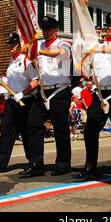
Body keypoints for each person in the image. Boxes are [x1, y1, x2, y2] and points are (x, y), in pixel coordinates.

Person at [75, 12, 111, 181]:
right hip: (99, 94)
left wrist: (99, 47)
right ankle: (90, 166)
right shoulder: (97, 46)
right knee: (90, 130)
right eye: (108, 25)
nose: (109, 28)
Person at [21, 16, 72, 178]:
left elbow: (59, 54)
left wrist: (37, 51)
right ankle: (36, 163)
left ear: (56, 30)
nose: (45, 32)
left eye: (49, 29)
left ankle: (63, 164)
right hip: (43, 92)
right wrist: (31, 57)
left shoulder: (63, 43)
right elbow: (37, 67)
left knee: (60, 129)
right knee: (32, 125)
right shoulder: (40, 45)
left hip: (59, 91)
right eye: (43, 29)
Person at [0, 32, 38, 172]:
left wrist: (22, 93)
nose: (11, 47)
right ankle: (0, 162)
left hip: (26, 101)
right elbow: (12, 81)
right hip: (12, 101)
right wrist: (0, 81)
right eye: (10, 45)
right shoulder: (11, 61)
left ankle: (33, 163)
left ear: (19, 46)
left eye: (13, 45)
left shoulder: (26, 60)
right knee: (6, 130)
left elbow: (35, 81)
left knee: (26, 132)